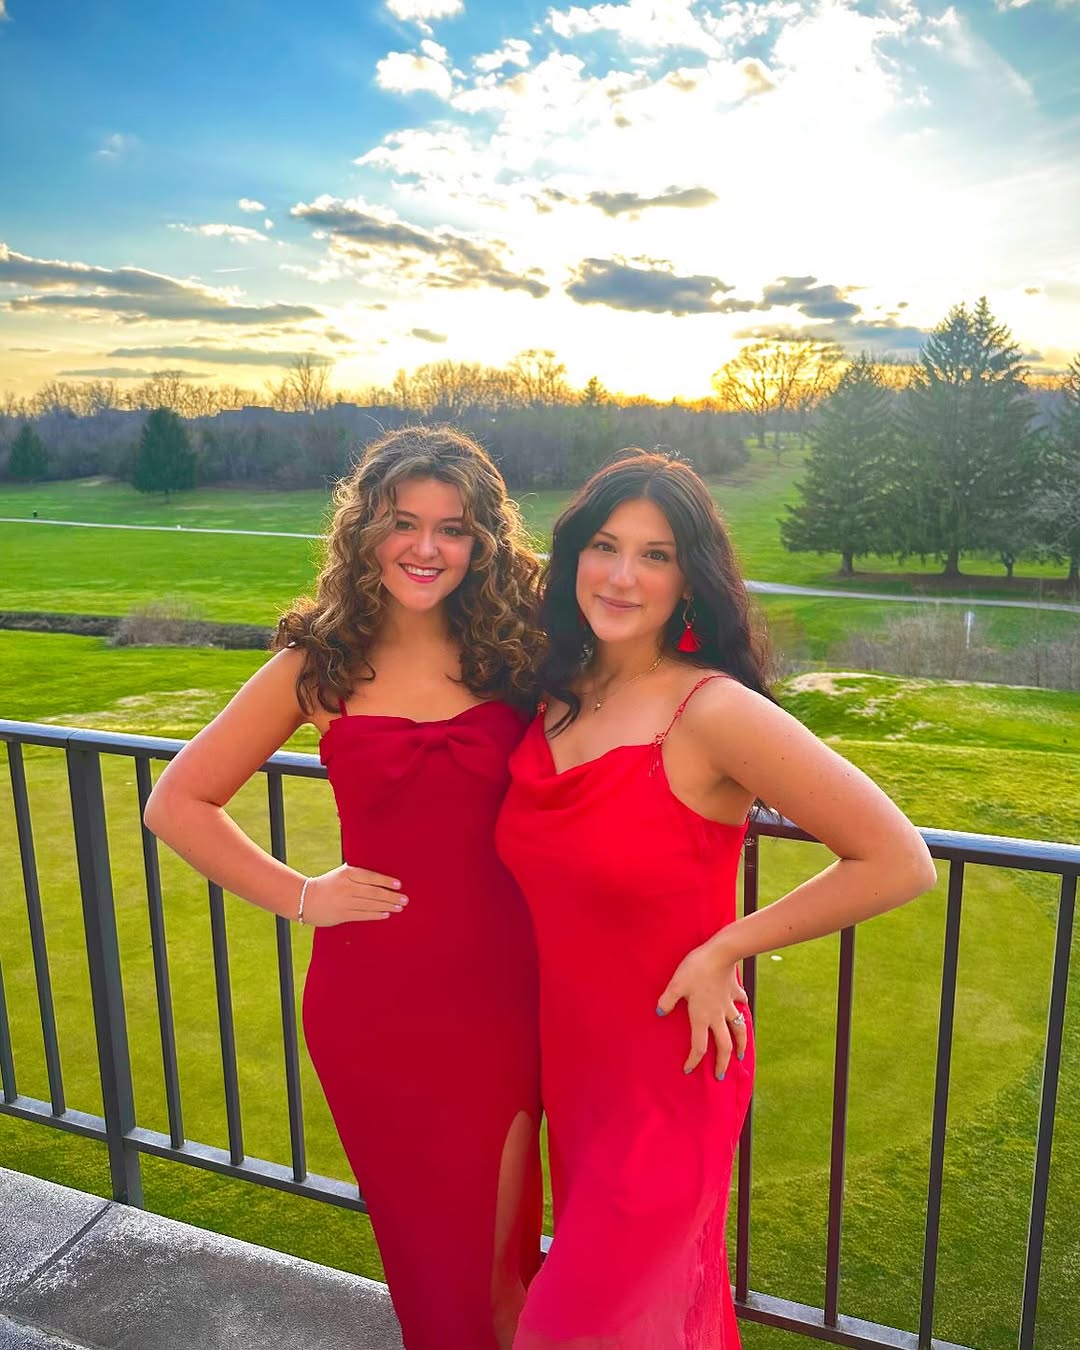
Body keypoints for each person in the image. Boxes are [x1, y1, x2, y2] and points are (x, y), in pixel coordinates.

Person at [496, 451, 937, 1349]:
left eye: (655, 555)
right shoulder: (555, 696)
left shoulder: (713, 711)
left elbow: (898, 859)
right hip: (574, 1073)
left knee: (568, 1327)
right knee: (640, 1324)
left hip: (672, 1066)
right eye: (605, 545)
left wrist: (726, 947)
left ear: (691, 580)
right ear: (574, 556)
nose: (622, 575)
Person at [144, 425, 545, 1350]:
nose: (426, 547)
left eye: (453, 528)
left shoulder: (520, 653)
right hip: (373, 1001)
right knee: (428, 1262)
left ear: (482, 541)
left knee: (498, 1258)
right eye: (403, 522)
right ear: (365, 530)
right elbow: (179, 802)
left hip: (501, 997)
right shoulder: (319, 663)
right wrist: (301, 894)